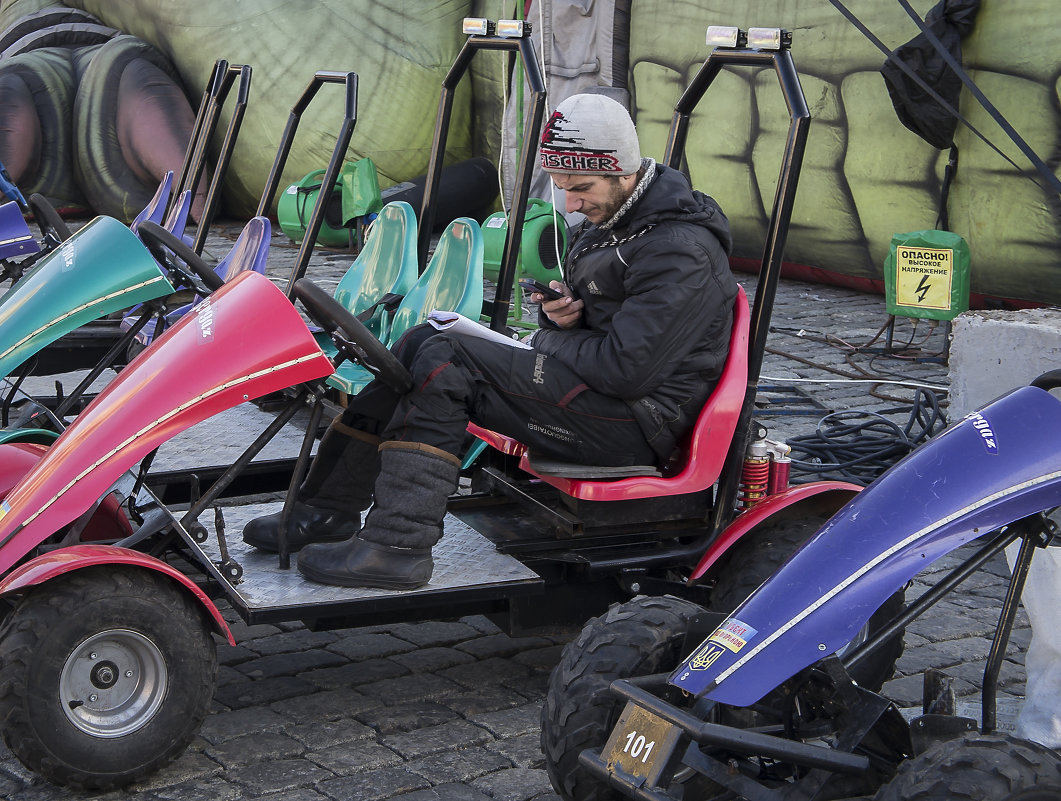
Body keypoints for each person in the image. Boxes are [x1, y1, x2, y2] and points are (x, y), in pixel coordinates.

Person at [242, 92, 738, 590]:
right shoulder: (614, 220)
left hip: (638, 422)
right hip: (603, 395)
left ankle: (396, 546)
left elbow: (626, 370)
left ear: (623, 172)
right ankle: (327, 511)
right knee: (418, 343)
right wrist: (563, 321)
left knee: (446, 360)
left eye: (581, 187)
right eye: (563, 187)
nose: (571, 203)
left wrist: (549, 343)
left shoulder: (679, 250)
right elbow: (610, 338)